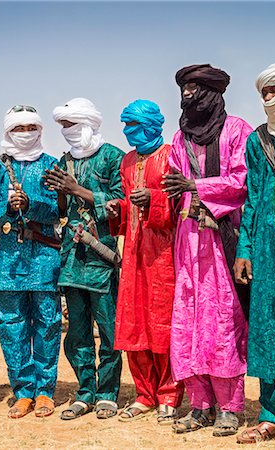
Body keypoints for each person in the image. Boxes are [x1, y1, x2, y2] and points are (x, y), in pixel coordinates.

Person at [163, 64, 253, 436]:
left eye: (195, 89)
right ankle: (200, 404)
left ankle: (230, 408)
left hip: (221, 237)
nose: (188, 96)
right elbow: (172, 182)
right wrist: (180, 190)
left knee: (222, 320)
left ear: (212, 95)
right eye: (184, 89)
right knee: (188, 320)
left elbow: (241, 179)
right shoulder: (179, 137)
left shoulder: (237, 130)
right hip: (188, 239)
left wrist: (197, 186)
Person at [45, 98, 124, 420]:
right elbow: (62, 213)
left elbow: (120, 205)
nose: (67, 132)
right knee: (77, 332)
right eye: (63, 127)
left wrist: (78, 189)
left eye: (72, 125)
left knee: (107, 330)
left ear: (89, 123)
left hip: (102, 255)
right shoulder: (65, 160)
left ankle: (107, 394)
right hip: (72, 258)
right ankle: (85, 392)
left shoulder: (113, 157)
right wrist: (61, 193)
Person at [106, 99, 184, 425]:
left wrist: (153, 199)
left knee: (162, 324)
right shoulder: (126, 161)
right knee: (134, 321)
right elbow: (128, 205)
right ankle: (144, 394)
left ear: (151, 125)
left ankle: (169, 394)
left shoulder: (170, 156)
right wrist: (119, 210)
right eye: (125, 125)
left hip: (164, 251)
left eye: (133, 125)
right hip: (134, 250)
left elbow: (181, 203)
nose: (127, 132)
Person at [0, 105, 61, 418]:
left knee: (48, 323)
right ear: (8, 131)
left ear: (39, 130)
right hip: (8, 259)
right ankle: (23, 390)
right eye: (18, 128)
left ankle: (46, 390)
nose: (25, 133)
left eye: (30, 127)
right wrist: (6, 207)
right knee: (11, 325)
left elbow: (59, 209)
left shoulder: (51, 165)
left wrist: (32, 204)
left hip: (45, 257)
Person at [234, 63, 275, 444]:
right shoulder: (258, 141)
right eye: (263, 92)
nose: (268, 98)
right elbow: (252, 198)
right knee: (271, 329)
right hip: (269, 248)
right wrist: (244, 249)